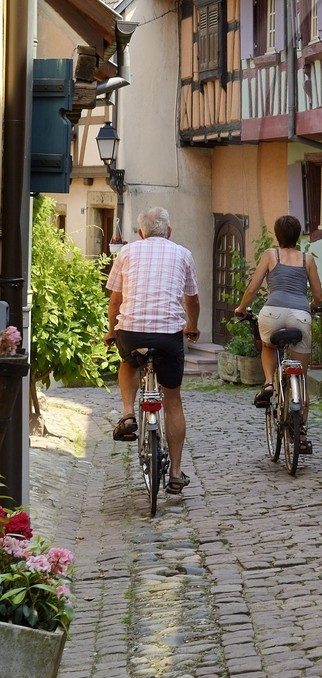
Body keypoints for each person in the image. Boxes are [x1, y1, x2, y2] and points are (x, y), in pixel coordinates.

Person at [105, 207, 200, 496]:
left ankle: (127, 415)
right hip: (168, 336)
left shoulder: (127, 253)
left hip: (131, 332)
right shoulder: (183, 253)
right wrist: (192, 326)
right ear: (168, 231)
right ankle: (174, 474)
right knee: (172, 400)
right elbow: (192, 300)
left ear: (140, 232)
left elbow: (115, 301)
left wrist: (111, 331)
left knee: (128, 363)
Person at [234, 215, 322, 452]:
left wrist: (241, 309)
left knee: (268, 346)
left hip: (272, 313)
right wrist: (313, 308)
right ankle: (301, 434)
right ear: (299, 235)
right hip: (300, 316)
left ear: (277, 235)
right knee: (301, 380)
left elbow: (253, 287)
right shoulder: (308, 259)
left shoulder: (270, 255)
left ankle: (267, 384)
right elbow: (319, 296)